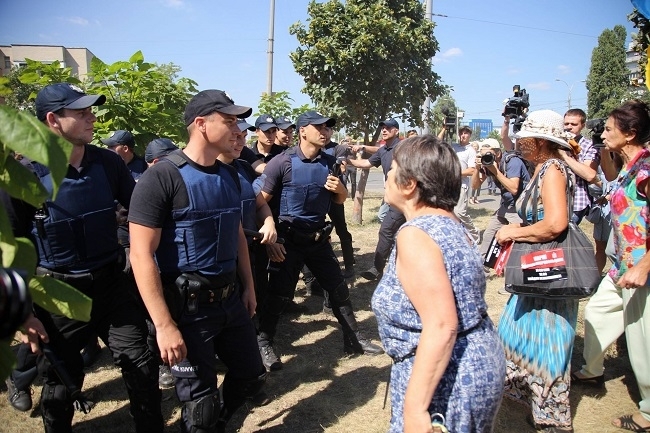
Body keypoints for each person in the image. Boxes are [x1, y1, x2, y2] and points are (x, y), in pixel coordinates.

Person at [129, 89, 267, 432]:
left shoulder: (231, 175)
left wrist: (248, 287)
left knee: (251, 377)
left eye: (239, 122)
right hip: (188, 310)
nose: (238, 131)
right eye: (229, 121)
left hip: (230, 301)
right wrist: (163, 325)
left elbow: (236, 236)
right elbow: (141, 253)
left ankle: (216, 424)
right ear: (201, 124)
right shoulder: (162, 177)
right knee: (199, 404)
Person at [32, 82, 163, 432]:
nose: (92, 117)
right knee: (61, 380)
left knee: (141, 362)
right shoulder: (25, 175)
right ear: (52, 120)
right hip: (58, 293)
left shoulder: (107, 163)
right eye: (81, 112)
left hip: (111, 282)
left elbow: (140, 211)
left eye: (91, 110)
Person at [372, 135, 505, 432]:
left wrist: (416, 409)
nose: (388, 175)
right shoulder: (448, 221)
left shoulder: (416, 234)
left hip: (448, 377)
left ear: (410, 185)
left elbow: (442, 325)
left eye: (393, 169)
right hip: (472, 358)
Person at [257, 110, 383, 371]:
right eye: (319, 127)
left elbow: (338, 200)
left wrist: (341, 191)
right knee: (279, 296)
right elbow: (260, 202)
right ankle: (264, 343)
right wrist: (270, 235)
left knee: (338, 289)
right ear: (302, 130)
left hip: (318, 241)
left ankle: (353, 338)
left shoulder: (330, 162)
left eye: (328, 128)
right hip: (287, 242)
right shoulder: (282, 162)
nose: (325, 132)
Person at [494, 109, 578, 432]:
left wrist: (514, 232)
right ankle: (533, 402)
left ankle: (553, 420)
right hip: (537, 268)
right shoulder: (541, 167)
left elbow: (556, 223)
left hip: (549, 272)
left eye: (525, 137)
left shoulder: (553, 169)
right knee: (517, 336)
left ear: (540, 141)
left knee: (548, 344)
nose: (519, 142)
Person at [572, 100, 650, 432]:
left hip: (641, 272)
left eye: (608, 129)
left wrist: (644, 266)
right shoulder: (629, 166)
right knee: (596, 313)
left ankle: (647, 414)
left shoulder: (647, 171)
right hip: (622, 267)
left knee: (642, 342)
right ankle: (592, 371)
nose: (602, 133)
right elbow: (608, 179)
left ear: (630, 133)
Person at [347, 118, 405, 281]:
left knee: (386, 230)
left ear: (396, 131)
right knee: (395, 229)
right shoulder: (384, 149)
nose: (384, 130)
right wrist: (348, 161)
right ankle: (398, 261)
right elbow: (366, 162)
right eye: (383, 128)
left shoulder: (402, 147)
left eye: (388, 128)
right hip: (392, 197)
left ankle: (377, 268)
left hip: (403, 198)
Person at [472, 138, 530, 276]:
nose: (486, 157)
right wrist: (477, 168)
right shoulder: (488, 163)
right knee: (489, 233)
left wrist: (495, 170)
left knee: (517, 241)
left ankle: (515, 273)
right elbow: (475, 186)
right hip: (505, 205)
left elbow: (514, 188)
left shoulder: (512, 161)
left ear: (498, 153)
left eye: (488, 154)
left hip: (520, 207)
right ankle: (481, 268)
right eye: (482, 154)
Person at [438, 125, 480, 242]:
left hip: (461, 185)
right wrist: (444, 128)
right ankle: (456, 234)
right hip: (449, 185)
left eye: (466, 133)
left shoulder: (470, 150)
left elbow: (472, 170)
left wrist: (455, 173)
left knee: (460, 212)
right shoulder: (453, 146)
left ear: (469, 135)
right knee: (447, 211)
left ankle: (474, 233)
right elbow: (437, 142)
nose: (463, 135)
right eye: (461, 133)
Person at [558, 108, 600, 225]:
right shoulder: (557, 143)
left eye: (574, 124)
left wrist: (566, 157)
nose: (569, 127)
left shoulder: (589, 145)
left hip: (576, 200)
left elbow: (589, 174)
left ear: (582, 126)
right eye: (566, 123)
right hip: (556, 197)